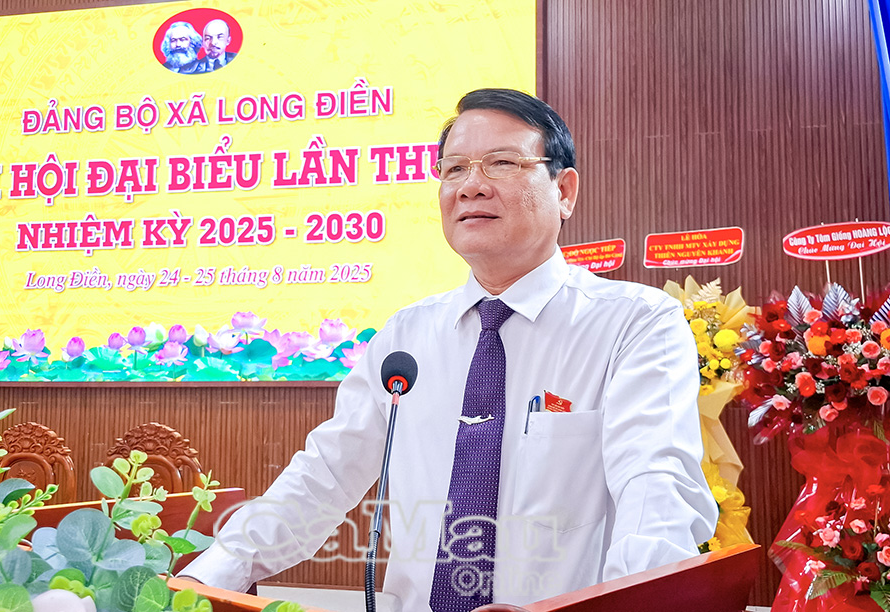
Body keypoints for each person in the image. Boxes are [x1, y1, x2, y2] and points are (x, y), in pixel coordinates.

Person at [181, 89, 717, 611]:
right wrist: (208, 577)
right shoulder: (405, 337)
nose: (471, 186)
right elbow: (324, 476)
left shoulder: (634, 324)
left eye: (502, 163)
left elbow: (656, 490)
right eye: (454, 169)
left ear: (565, 191)